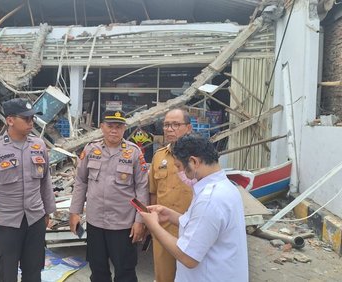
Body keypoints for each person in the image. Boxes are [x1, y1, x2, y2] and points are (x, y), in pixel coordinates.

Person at [0, 98, 56, 282]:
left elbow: (45, 181)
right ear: (10, 120)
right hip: (7, 224)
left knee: (33, 272)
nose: (31, 123)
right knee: (5, 274)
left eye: (32, 119)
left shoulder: (39, 146)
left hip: (35, 221)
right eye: (26, 119)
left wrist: (48, 211)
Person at [141, 134, 248, 282]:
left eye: (179, 166)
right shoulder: (223, 187)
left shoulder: (210, 199)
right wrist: (171, 216)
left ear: (193, 162)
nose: (179, 172)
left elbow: (188, 257)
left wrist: (154, 226)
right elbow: (203, 227)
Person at [69, 110, 149, 282]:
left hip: (123, 225)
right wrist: (75, 212)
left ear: (124, 129)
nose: (114, 130)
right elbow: (81, 181)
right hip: (95, 222)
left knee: (125, 271)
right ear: (102, 127)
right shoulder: (91, 149)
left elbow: (142, 187)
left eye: (118, 127)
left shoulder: (134, 153)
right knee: (97, 269)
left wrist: (139, 221)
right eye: (110, 126)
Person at [148, 108, 193, 282]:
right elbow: (153, 193)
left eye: (175, 124)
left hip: (192, 230)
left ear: (188, 128)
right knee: (164, 276)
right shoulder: (159, 157)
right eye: (166, 125)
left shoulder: (199, 157)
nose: (169, 129)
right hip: (164, 229)